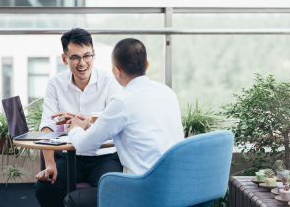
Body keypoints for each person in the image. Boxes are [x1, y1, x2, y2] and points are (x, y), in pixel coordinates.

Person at [63, 38, 184, 207]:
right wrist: (92, 127)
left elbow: (84, 146)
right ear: (147, 65)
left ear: (117, 71)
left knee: (73, 200)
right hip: (178, 190)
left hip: (145, 193)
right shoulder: (168, 93)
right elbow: (136, 130)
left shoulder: (121, 101)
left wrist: (75, 128)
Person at [34, 28, 123, 207]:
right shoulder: (55, 84)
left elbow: (114, 120)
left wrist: (80, 119)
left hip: (104, 156)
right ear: (64, 58)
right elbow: (47, 126)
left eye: (87, 56)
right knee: (44, 189)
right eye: (74, 57)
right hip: (71, 157)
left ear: (94, 55)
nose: (82, 63)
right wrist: (50, 163)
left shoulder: (109, 81)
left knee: (112, 193)